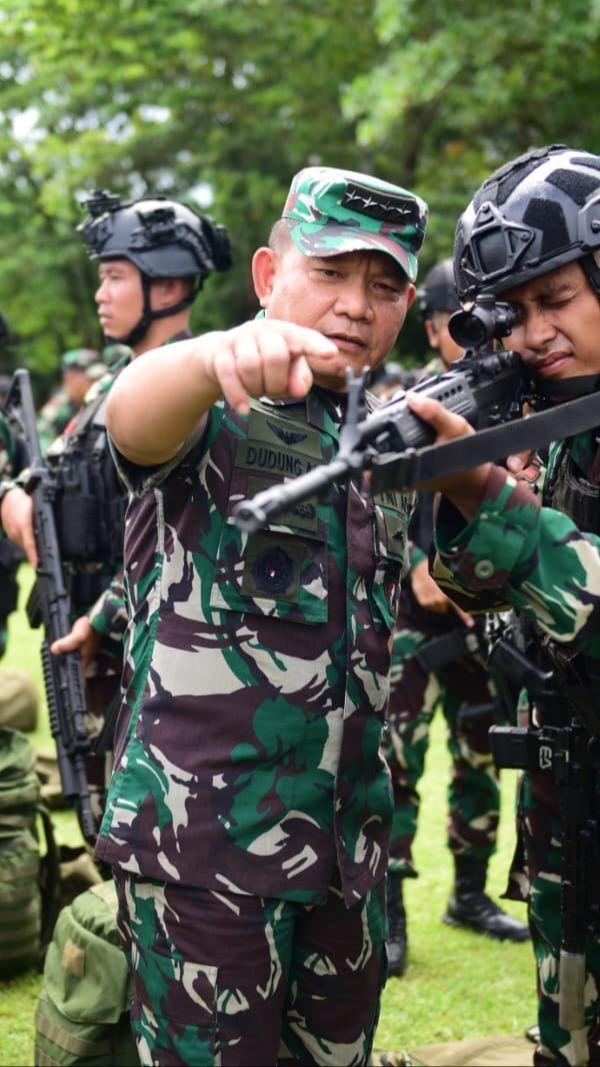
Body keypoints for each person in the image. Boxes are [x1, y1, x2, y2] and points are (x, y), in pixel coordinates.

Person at [94, 165, 428, 1066]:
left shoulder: (381, 437)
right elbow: (132, 420)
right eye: (330, 272)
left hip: (347, 853)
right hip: (207, 855)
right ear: (268, 274)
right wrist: (208, 358)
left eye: (385, 284)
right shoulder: (214, 398)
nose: (357, 305)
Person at [402, 144, 600, 1066]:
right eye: (512, 314)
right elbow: (485, 594)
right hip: (570, 817)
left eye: (554, 299)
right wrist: (460, 495)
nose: (532, 335)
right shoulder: (568, 419)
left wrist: (495, 497)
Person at [0, 190, 232, 831]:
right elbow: (46, 472)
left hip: (147, 655)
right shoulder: (109, 387)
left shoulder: (188, 394)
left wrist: (102, 618)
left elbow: (186, 541)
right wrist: (12, 494)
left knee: (136, 831)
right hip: (89, 645)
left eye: (114, 277)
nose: (101, 293)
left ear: (170, 285)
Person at [383, 260, 528, 977]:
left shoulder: (518, 396)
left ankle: (468, 893)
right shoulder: (410, 398)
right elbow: (385, 489)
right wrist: (414, 555)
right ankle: (387, 910)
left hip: (486, 624)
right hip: (418, 622)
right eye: (450, 322)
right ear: (435, 325)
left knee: (480, 754)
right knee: (397, 761)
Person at [36, 347, 105, 453]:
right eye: (91, 379)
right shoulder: (58, 409)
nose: (97, 383)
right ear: (69, 378)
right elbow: (42, 441)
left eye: (99, 378)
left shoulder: (100, 397)